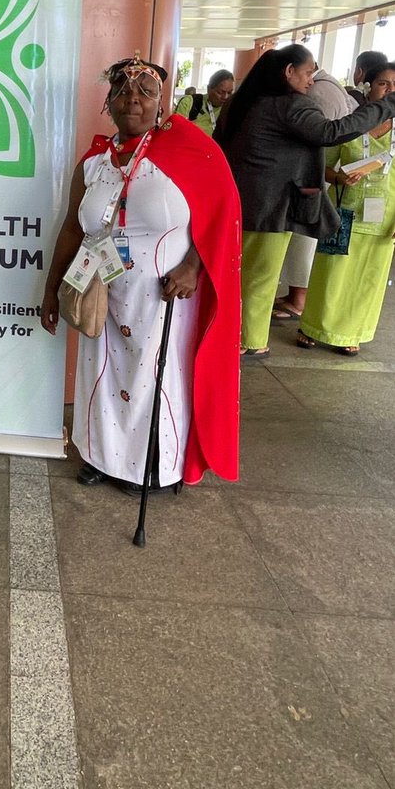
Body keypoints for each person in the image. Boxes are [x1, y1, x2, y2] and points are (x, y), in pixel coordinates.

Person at [40, 56, 240, 492]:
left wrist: (193, 267)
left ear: (161, 102)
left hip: (163, 296)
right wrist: (51, 289)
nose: (133, 98)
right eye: (122, 92)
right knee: (101, 374)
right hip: (100, 289)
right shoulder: (95, 162)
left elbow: (224, 217)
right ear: (108, 103)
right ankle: (100, 457)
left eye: (145, 92)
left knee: (153, 379)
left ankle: (154, 466)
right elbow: (73, 227)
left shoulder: (193, 151)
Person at [214, 44, 395, 359]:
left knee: (244, 272)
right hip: (271, 205)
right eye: (309, 72)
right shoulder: (290, 106)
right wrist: (387, 106)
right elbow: (333, 131)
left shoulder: (244, 102)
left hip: (243, 199)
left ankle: (237, 335)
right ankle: (249, 340)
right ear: (289, 72)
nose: (311, 81)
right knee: (260, 276)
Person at [297, 61, 395, 354]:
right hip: (344, 210)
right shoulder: (351, 123)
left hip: (384, 216)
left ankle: (351, 332)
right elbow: (322, 166)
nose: (390, 90)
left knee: (367, 277)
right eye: (383, 84)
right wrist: (339, 177)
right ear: (369, 86)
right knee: (330, 272)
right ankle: (312, 326)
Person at [273, 64, 356, 321]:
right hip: (312, 176)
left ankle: (298, 298)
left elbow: (318, 135)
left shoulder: (320, 93)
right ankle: (295, 294)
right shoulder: (326, 88)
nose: (306, 81)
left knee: (303, 238)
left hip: (312, 178)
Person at [173, 68, 235, 135]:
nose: (225, 97)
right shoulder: (189, 102)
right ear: (209, 89)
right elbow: (175, 132)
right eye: (220, 92)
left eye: (229, 93)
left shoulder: (231, 110)